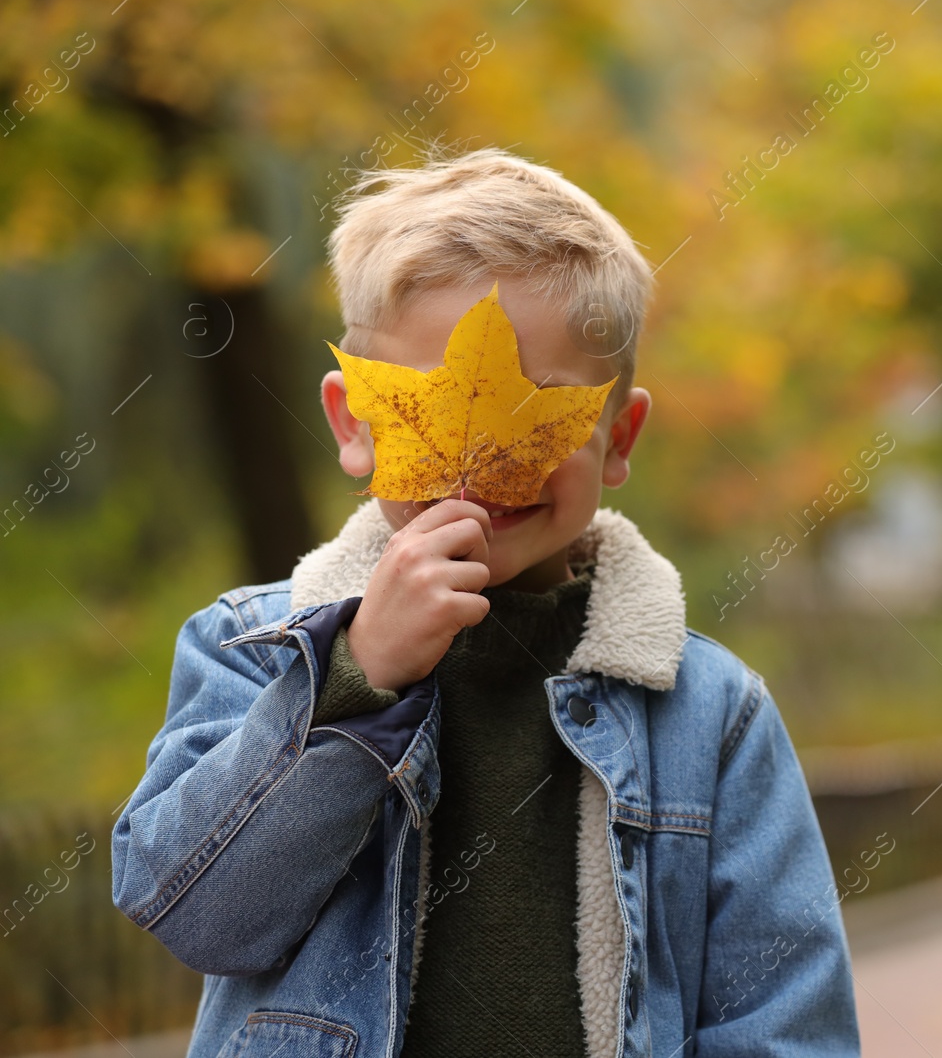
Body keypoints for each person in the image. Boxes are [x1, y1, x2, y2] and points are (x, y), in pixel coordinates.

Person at [110, 148, 860, 1058]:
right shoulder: (253, 646)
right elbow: (195, 916)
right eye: (435, 409)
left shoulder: (712, 713)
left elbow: (783, 1016)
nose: (481, 461)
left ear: (617, 438)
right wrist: (353, 680)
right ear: (355, 424)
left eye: (541, 415)